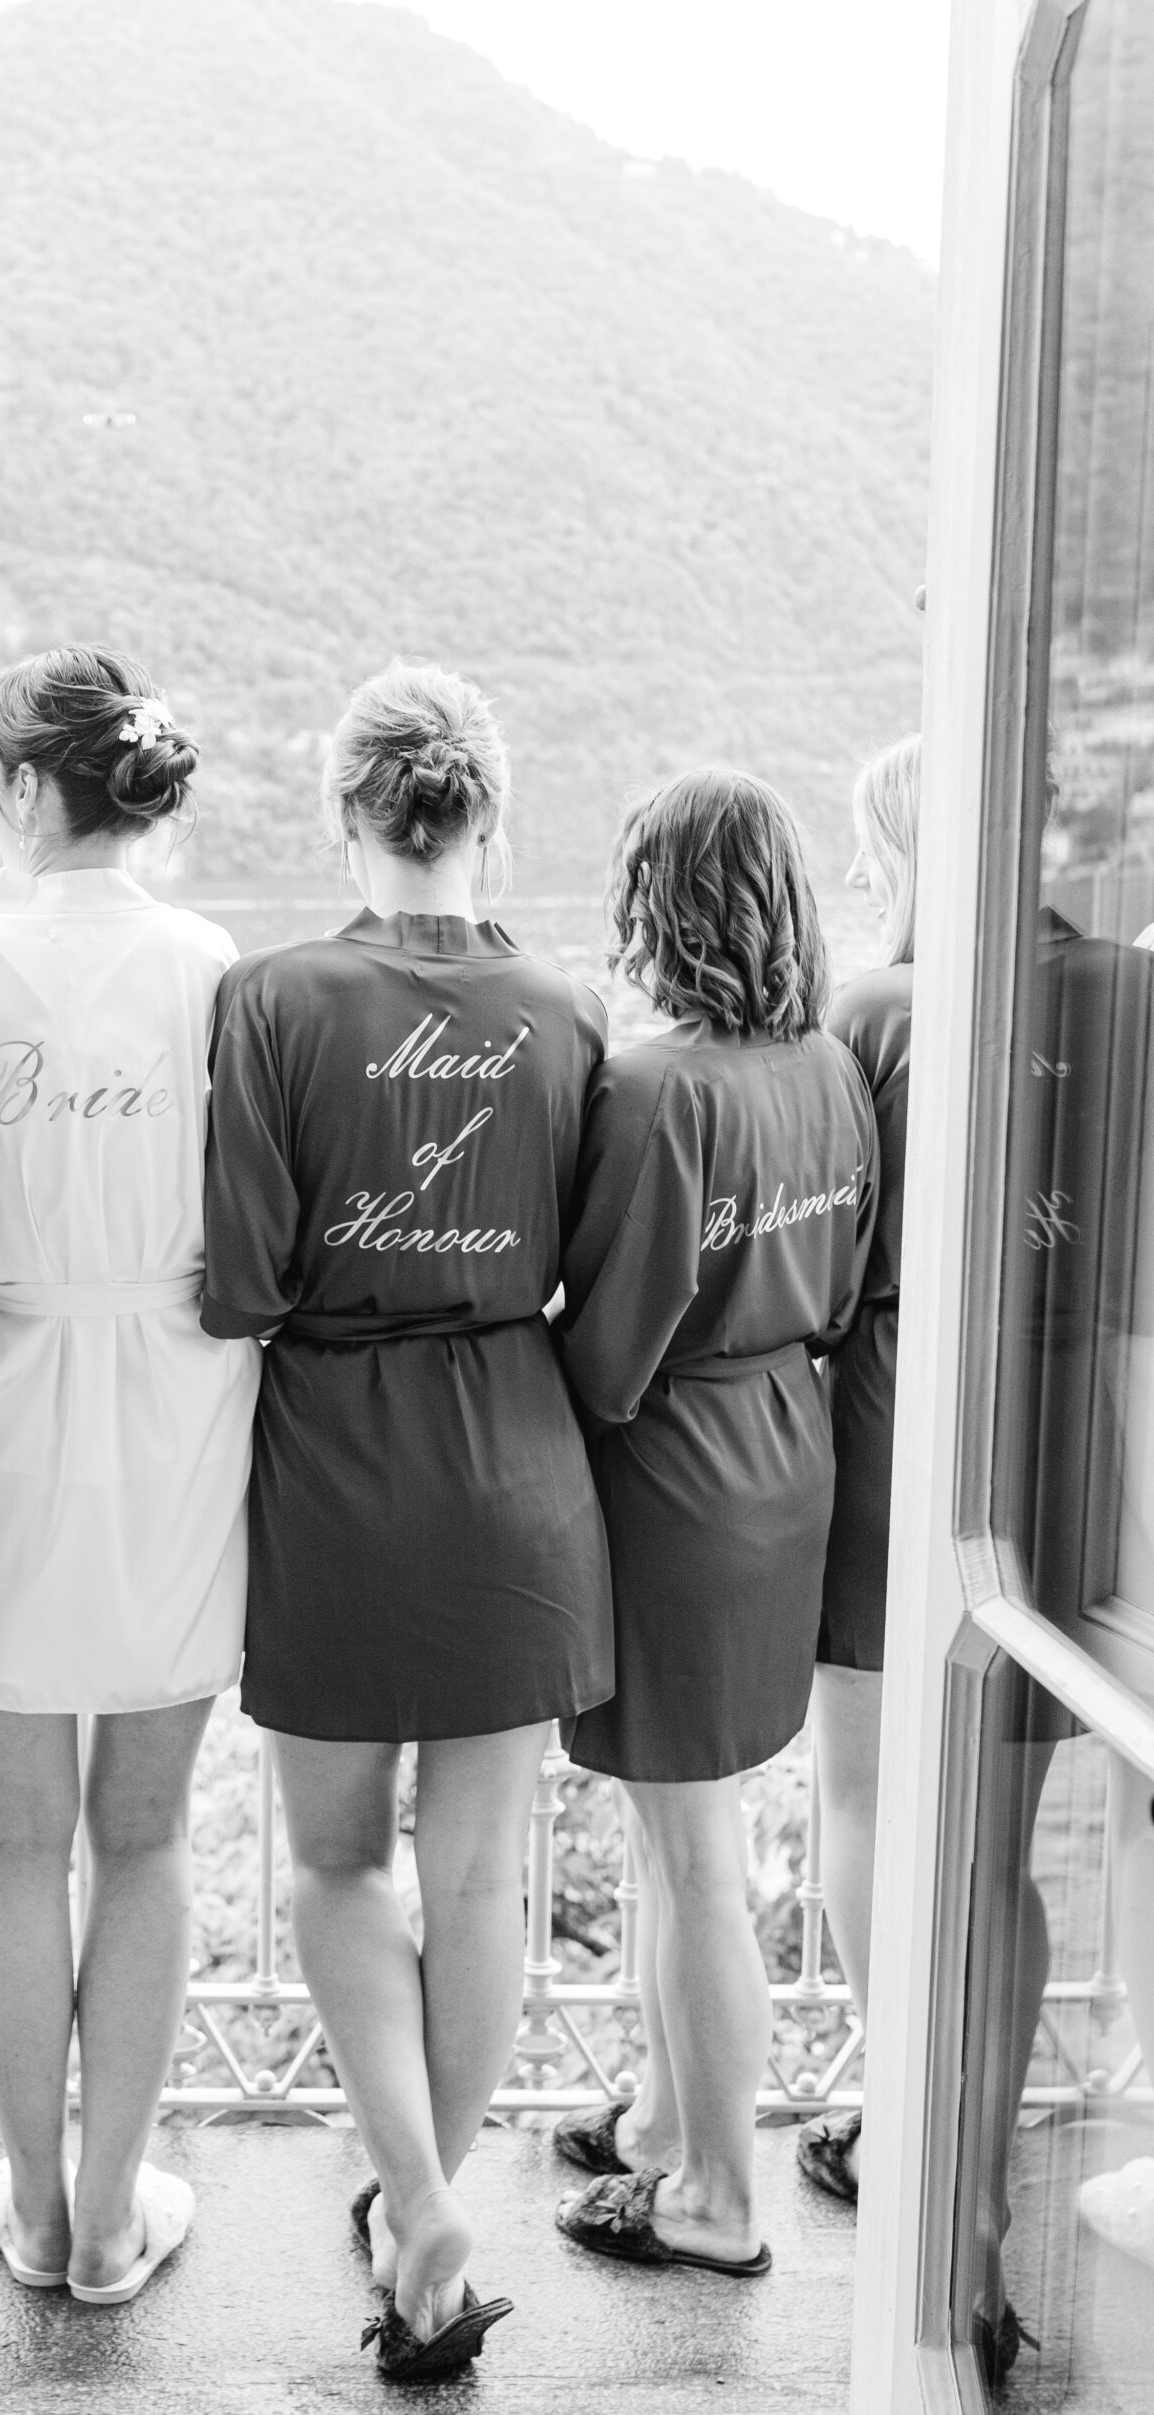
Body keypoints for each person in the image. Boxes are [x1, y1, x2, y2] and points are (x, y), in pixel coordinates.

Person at [200, 662, 614, 2380]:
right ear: (488, 815)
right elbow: (595, 1265)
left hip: (339, 1467)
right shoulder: (573, 1011)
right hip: (519, 1465)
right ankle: (420, 2224)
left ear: (344, 815)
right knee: (479, 1876)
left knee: (335, 1860)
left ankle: (414, 2197)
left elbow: (238, 1284)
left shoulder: (273, 1001)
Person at [0, 647, 259, 2306]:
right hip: (183, 1402)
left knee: (15, 1832)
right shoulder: (210, 963)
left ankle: (32, 2205)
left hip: (4, 1401)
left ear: (28, 788)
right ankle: (114, 2218)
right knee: (150, 1829)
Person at [550, 768, 877, 2280]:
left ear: (655, 903)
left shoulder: (653, 1086)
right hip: (787, 1450)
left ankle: (719, 2201)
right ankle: (668, 2123)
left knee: (690, 1853)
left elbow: (609, 1353)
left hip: (675, 1468)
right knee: (699, 1828)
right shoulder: (826, 1066)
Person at [794, 734, 916, 2209]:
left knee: (867, 1789)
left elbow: (822, 1247)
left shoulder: (871, 1011)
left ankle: (898, 2104)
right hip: (1056, 1405)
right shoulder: (1110, 993)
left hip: (888, 1403)